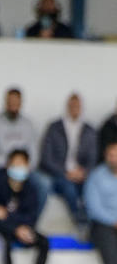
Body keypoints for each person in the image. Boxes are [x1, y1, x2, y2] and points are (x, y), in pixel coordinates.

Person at [39, 93, 99, 229]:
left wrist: (84, 172)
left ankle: (94, 224)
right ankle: (81, 221)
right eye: (72, 105)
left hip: (81, 175)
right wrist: (66, 172)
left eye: (78, 106)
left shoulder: (89, 130)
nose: (75, 108)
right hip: (60, 174)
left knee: (91, 188)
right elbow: (46, 158)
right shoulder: (54, 128)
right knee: (69, 188)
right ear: (67, 106)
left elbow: (92, 158)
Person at [0, 88, 39, 176]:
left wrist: (23, 165)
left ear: (21, 103)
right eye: (11, 101)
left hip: (24, 169)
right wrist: (11, 165)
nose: (13, 105)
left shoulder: (28, 124)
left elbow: (34, 153)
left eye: (16, 102)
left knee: (42, 183)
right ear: (5, 102)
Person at [84, 141, 117, 264]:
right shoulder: (96, 176)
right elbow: (93, 207)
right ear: (105, 156)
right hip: (103, 223)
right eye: (111, 155)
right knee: (106, 235)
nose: (114, 158)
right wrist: (113, 221)